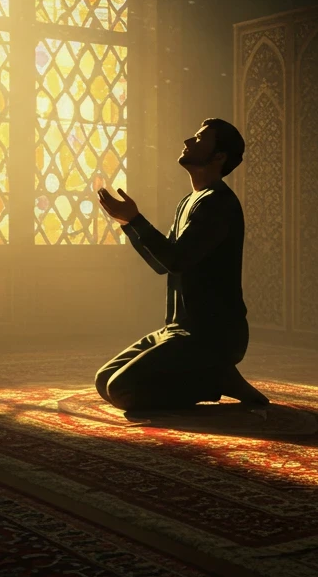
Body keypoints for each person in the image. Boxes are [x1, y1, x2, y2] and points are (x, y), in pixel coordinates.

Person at [94, 118, 269, 418]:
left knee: (121, 390)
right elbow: (162, 264)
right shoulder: (189, 201)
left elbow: (176, 260)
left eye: (200, 139)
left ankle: (215, 379)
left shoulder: (218, 203)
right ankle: (212, 375)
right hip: (177, 329)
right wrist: (127, 223)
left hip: (211, 335)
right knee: (104, 381)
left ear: (219, 156)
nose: (188, 141)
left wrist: (136, 220)